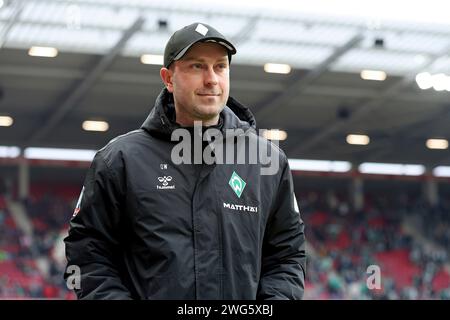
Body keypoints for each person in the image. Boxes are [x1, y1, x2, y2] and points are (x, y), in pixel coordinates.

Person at [64, 22, 306, 300]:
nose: (212, 79)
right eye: (197, 66)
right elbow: (87, 257)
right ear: (168, 78)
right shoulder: (119, 160)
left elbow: (288, 255)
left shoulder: (268, 161)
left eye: (220, 66)